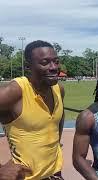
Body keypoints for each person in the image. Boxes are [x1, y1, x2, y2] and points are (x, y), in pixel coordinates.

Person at [0, 40, 65, 179]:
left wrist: (54, 149)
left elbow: (58, 120)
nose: (54, 67)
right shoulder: (14, 92)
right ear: (28, 67)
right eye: (45, 62)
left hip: (54, 174)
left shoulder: (58, 89)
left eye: (56, 61)